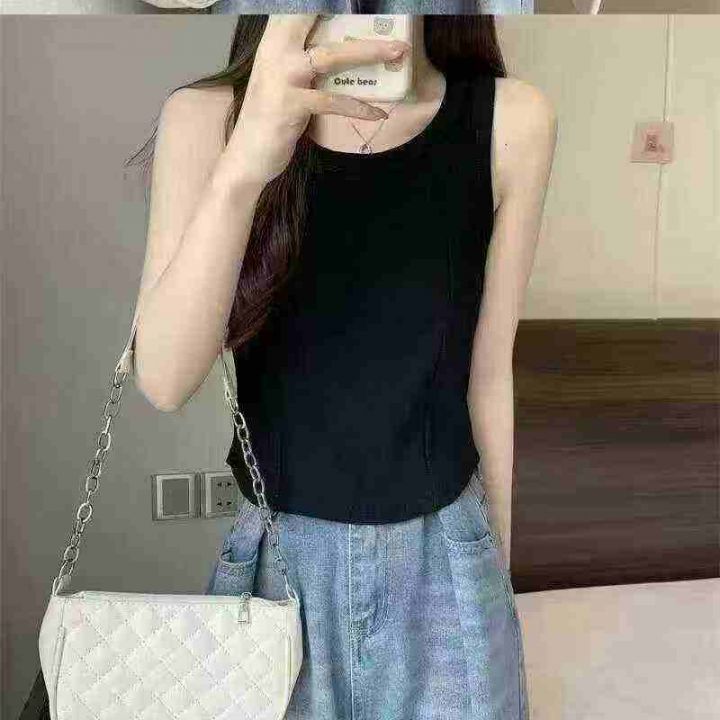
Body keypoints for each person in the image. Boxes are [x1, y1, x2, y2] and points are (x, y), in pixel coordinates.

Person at [128, 14, 556, 719]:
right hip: (277, 567)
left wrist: (496, 579)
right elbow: (164, 381)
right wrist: (246, 162)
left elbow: (488, 373)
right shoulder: (206, 118)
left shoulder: (513, 120)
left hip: (448, 561)